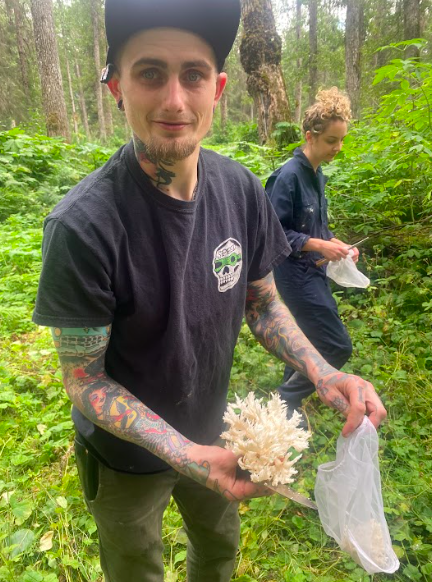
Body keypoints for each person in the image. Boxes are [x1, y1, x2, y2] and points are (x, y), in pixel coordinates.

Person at [32, 3, 386, 580]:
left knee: (218, 555)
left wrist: (329, 376)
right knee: (135, 566)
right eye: (150, 73)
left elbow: (263, 302)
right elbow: (84, 378)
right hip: (125, 460)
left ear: (217, 87)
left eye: (193, 75)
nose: (175, 99)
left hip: (220, 435)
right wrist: (184, 454)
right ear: (117, 86)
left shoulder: (241, 190)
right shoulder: (83, 226)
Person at [265, 87, 358, 418]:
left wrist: (337, 245)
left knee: (305, 340)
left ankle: (284, 414)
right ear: (310, 136)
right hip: (293, 277)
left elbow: (314, 227)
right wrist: (318, 245)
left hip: (314, 272)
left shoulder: (317, 175)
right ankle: (285, 399)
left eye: (342, 140)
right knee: (337, 345)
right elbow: (272, 234)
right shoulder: (287, 177)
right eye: (332, 140)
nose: (338, 148)